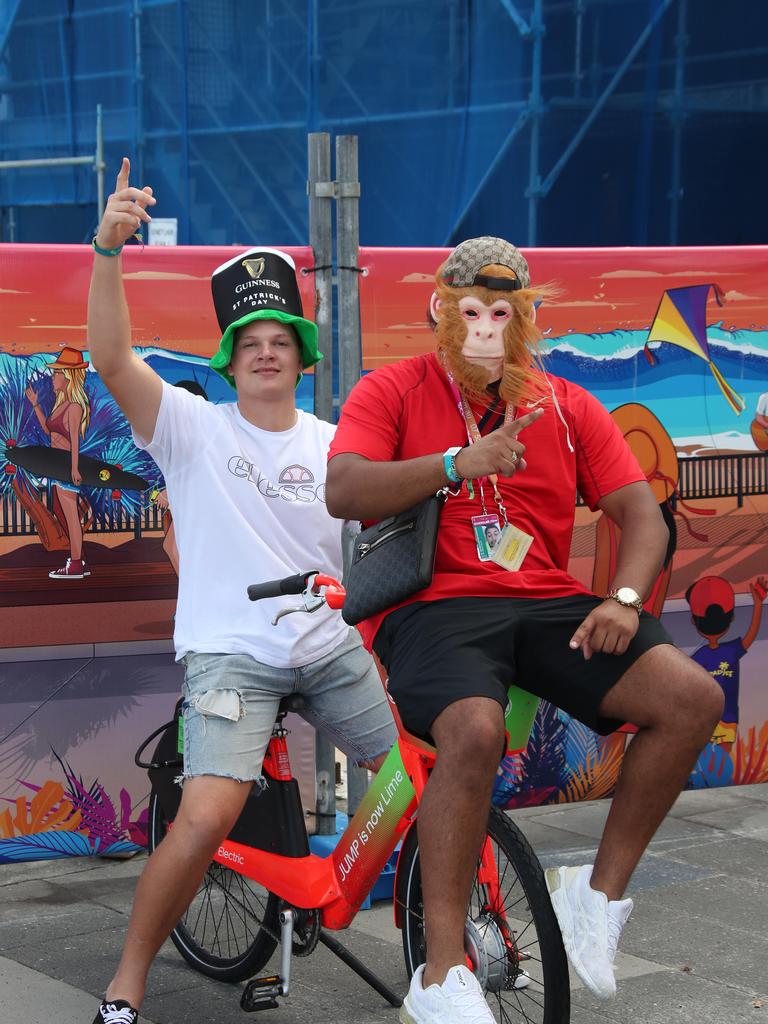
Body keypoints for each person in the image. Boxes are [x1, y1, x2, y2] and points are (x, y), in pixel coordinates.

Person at [325, 236, 724, 1021]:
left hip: (544, 602)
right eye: (470, 310)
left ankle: (595, 896)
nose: (485, 328)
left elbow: (641, 512)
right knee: (472, 732)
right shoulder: (395, 389)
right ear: (441, 310)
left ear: (526, 318)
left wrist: (627, 596)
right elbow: (344, 488)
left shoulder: (567, 405)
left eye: (502, 313)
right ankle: (441, 972)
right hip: (432, 607)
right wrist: (454, 464)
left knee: (691, 698)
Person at [87, 158, 396, 1024]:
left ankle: (437, 945)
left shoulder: (338, 443)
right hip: (231, 654)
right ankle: (127, 985)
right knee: (209, 812)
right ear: (230, 360)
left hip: (327, 646)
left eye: (281, 340)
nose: (266, 352)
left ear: (303, 357)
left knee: (423, 772)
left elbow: (380, 536)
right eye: (250, 342)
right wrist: (107, 251)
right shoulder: (190, 428)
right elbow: (110, 357)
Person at [25, 347, 92, 579]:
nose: (53, 378)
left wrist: (73, 469)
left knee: (71, 514)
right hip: (58, 467)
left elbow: (74, 441)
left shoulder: (74, 407)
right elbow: (48, 431)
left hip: (65, 468)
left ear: (68, 376)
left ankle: (75, 564)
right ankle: (77, 559)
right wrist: (35, 404)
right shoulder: (60, 404)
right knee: (62, 511)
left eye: (57, 374)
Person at [686, 574, 767, 753]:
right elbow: (752, 634)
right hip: (720, 718)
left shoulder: (699, 655)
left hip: (716, 718)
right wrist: (758, 604)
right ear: (731, 617)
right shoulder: (731, 650)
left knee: (714, 760)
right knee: (719, 761)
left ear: (694, 620)